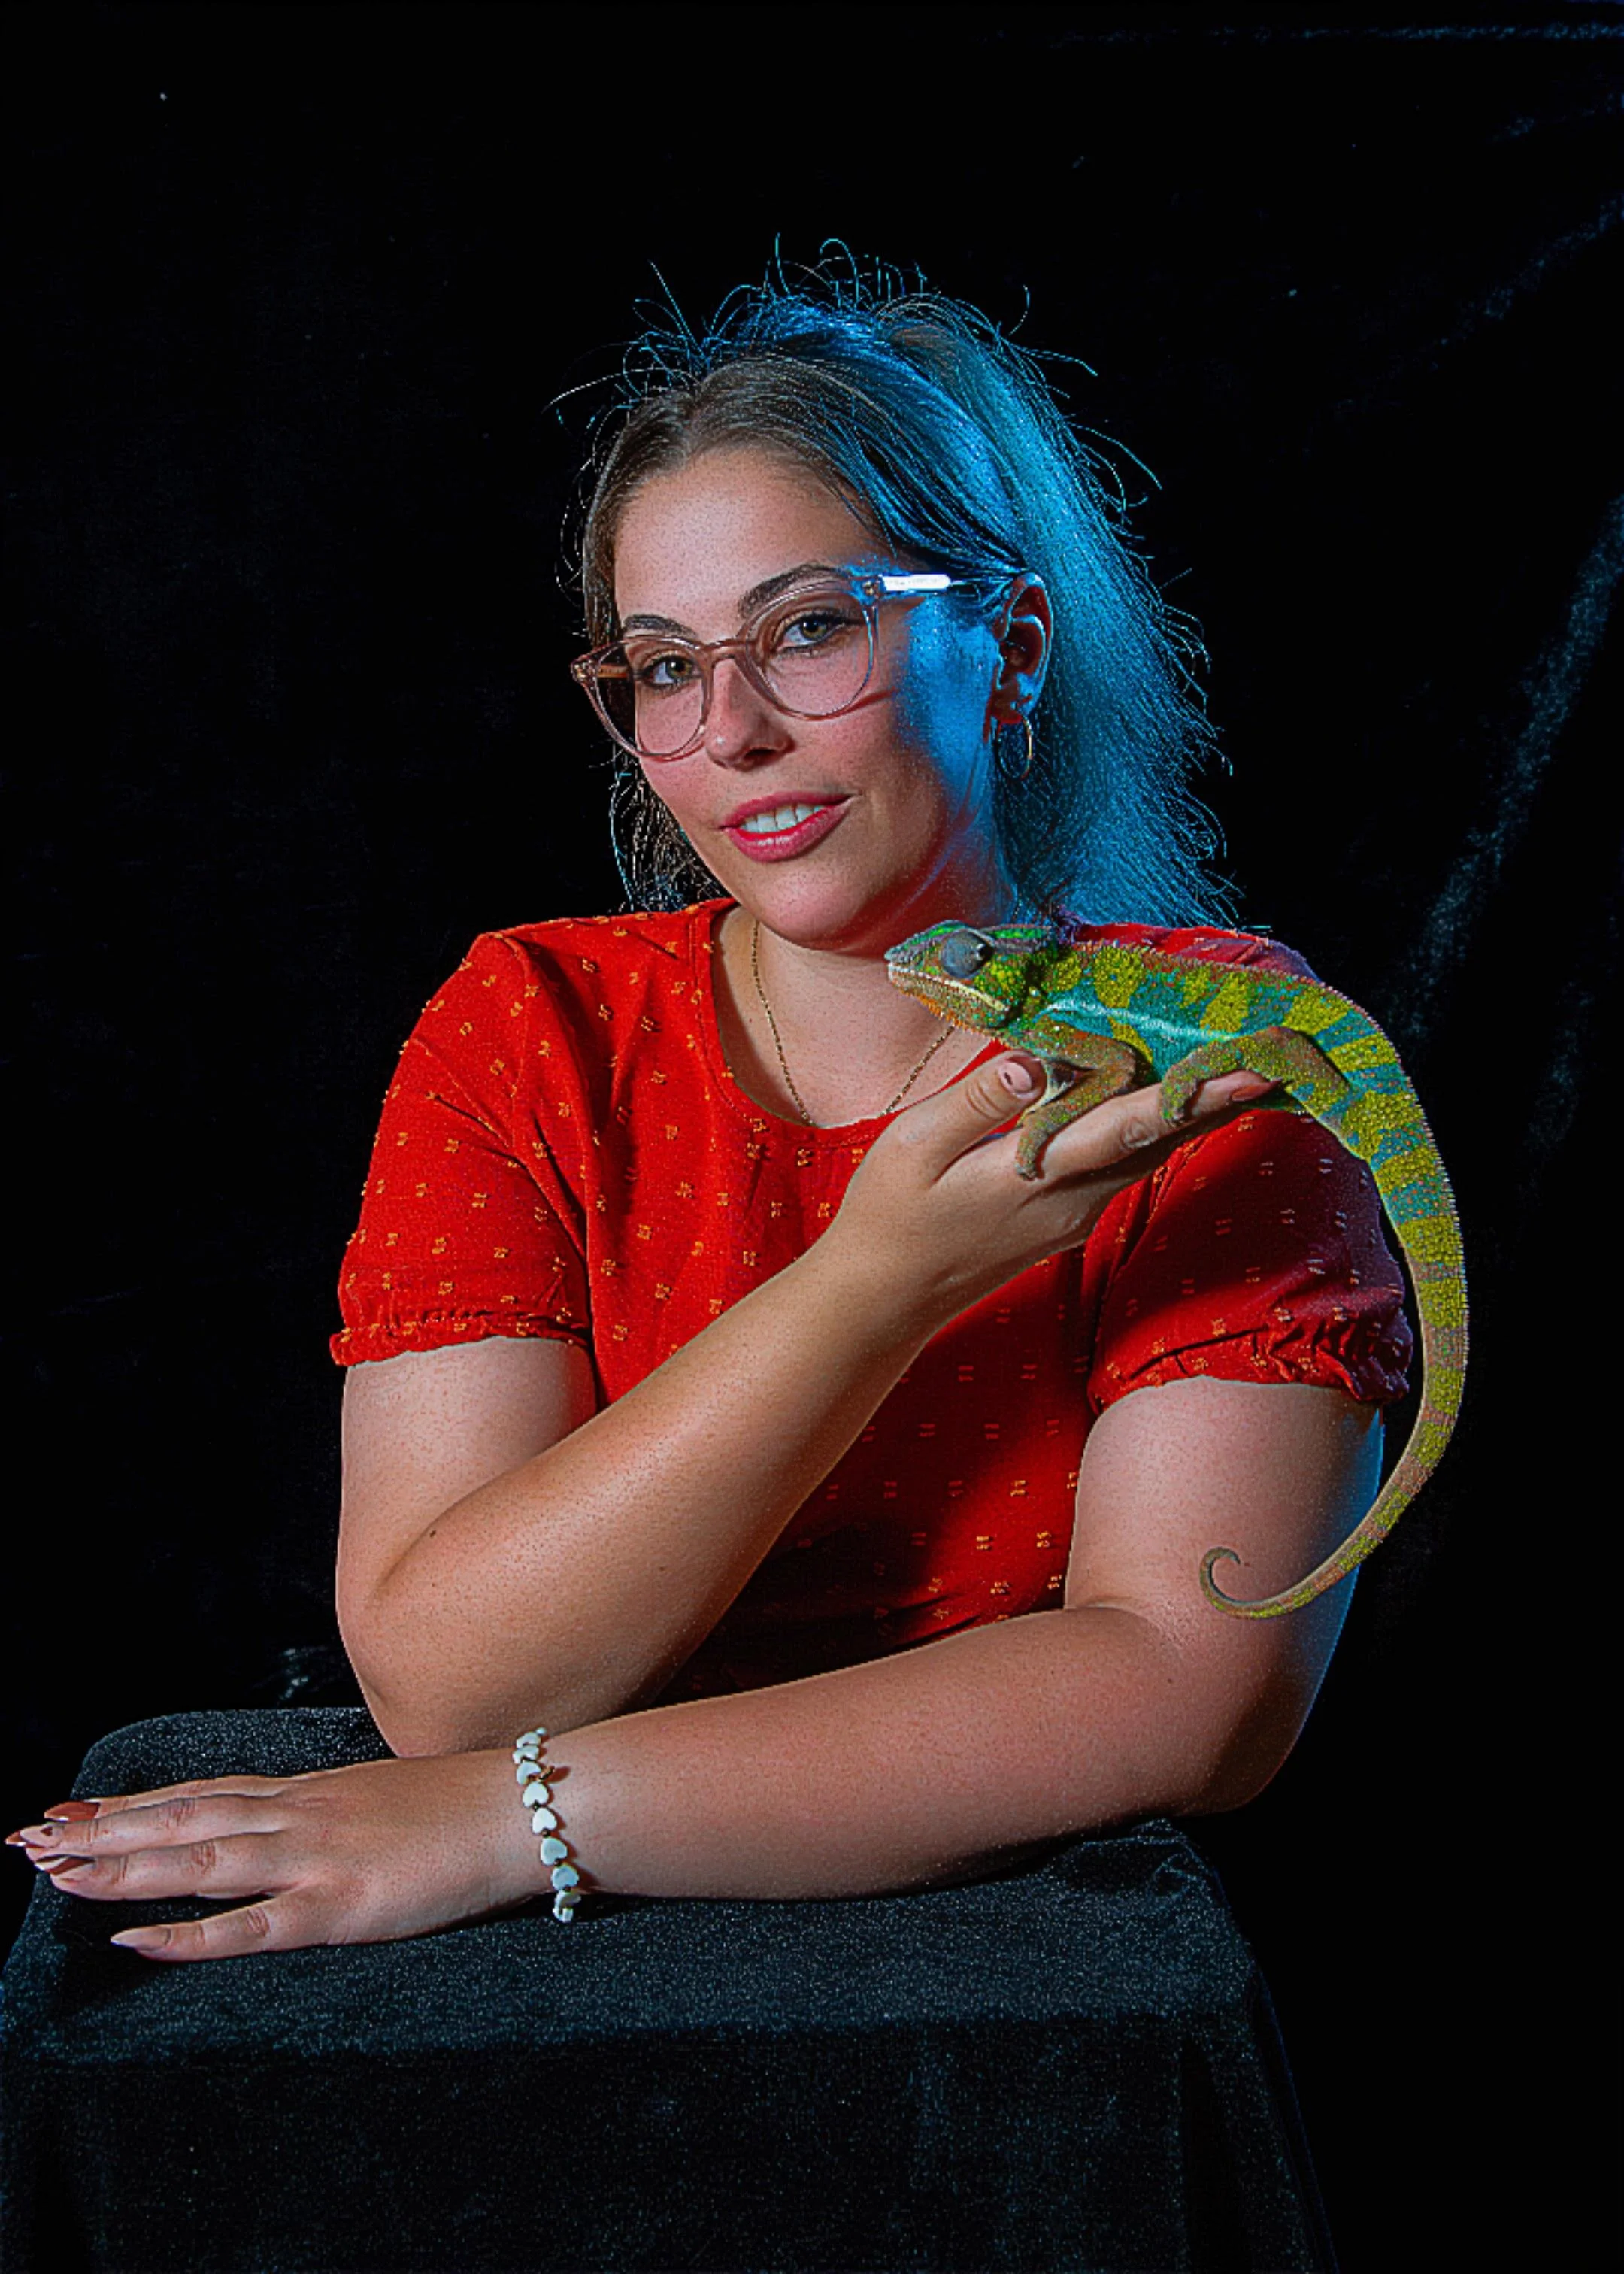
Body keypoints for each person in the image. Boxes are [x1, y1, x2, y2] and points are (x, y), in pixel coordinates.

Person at [8, 273, 1413, 1955]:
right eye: (664, 668)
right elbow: (450, 1678)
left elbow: (1196, 1690)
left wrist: (510, 1822)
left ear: (1010, 645)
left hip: (1024, 1983)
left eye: (812, 627)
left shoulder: (1221, 1043)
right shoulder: (530, 1027)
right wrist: (873, 1278)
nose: (732, 731)